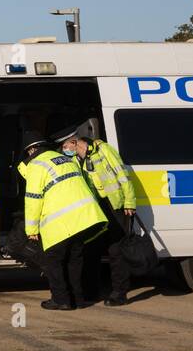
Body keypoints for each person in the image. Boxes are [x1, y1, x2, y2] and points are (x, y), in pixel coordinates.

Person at [18, 131, 107, 310]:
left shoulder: (37, 164)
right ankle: (78, 299)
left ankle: (61, 300)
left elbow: (33, 198)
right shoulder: (64, 159)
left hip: (60, 222)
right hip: (85, 218)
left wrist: (31, 229)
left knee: (53, 262)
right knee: (75, 260)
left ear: (32, 149)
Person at [68, 120, 137, 306]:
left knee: (116, 250)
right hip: (95, 208)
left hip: (114, 206)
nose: (65, 150)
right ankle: (91, 291)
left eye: (66, 146)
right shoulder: (75, 160)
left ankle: (119, 293)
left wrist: (129, 201)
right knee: (91, 249)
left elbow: (122, 175)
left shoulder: (103, 150)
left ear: (75, 142)